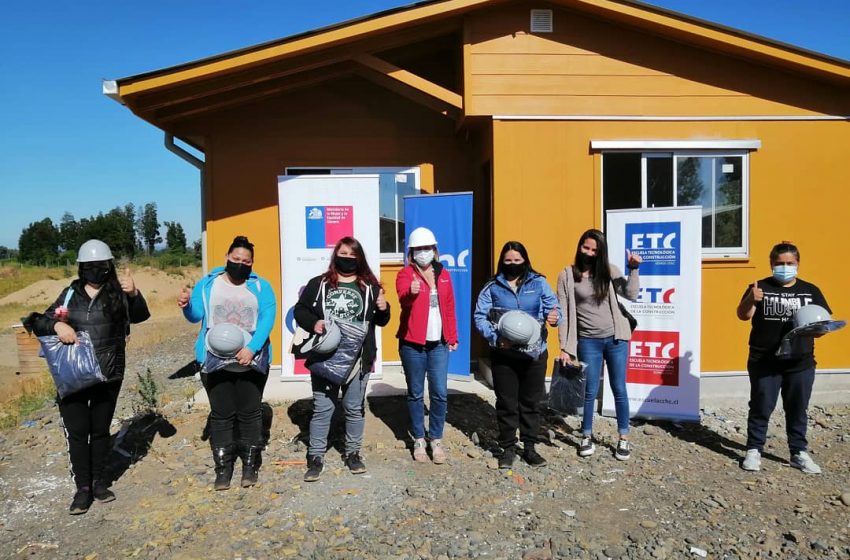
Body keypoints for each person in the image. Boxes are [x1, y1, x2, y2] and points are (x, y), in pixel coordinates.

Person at [26, 239, 150, 514]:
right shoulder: (69, 295)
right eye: (91, 266)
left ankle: (98, 482)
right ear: (82, 268)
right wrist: (57, 323)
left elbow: (141, 316)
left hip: (109, 373)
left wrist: (134, 294)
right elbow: (37, 320)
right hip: (74, 375)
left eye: (102, 265)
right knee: (78, 433)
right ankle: (82, 488)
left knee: (100, 431)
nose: (97, 270)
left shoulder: (119, 293)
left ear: (109, 267)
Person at [178, 236, 276, 490]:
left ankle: (250, 465)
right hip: (214, 357)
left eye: (246, 261)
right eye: (235, 259)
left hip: (250, 358)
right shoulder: (207, 284)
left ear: (252, 263)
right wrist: (187, 306)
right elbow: (196, 316)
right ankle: (223, 468)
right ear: (226, 258)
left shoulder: (261, 287)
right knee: (221, 414)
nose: (240, 264)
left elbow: (267, 318)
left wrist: (252, 348)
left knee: (250, 412)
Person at [295, 237, 390, 481]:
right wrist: (313, 322)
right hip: (326, 356)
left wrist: (383, 307)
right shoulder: (319, 284)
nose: (347, 258)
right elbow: (300, 310)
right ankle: (316, 456)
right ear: (335, 255)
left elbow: (381, 322)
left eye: (352, 254)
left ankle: (353, 453)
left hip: (358, 358)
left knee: (353, 408)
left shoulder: (370, 286)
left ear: (359, 259)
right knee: (323, 408)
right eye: (342, 253)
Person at [736, 241, 832, 474]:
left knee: (798, 408)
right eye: (780, 263)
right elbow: (742, 315)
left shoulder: (810, 290)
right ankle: (754, 450)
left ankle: (798, 452)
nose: (785, 267)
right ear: (771, 264)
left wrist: (819, 328)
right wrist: (751, 298)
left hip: (800, 363)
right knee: (761, 406)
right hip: (764, 361)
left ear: (797, 264)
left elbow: (824, 325)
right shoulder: (759, 286)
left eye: (790, 263)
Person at [474, 241, 560, 469]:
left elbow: (554, 307)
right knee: (507, 403)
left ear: (525, 260)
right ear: (502, 261)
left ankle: (530, 448)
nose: (513, 264)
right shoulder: (492, 286)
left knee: (530, 403)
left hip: (535, 354)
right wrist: (495, 338)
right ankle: (508, 448)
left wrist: (555, 317)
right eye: (508, 261)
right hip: (504, 355)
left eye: (517, 261)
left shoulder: (539, 282)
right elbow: (479, 317)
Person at [557, 229, 640, 461]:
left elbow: (632, 294)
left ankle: (623, 438)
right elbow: (563, 312)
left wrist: (633, 269)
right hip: (588, 342)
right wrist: (565, 347)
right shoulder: (566, 275)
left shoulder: (608, 271)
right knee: (589, 390)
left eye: (595, 250)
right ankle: (586, 435)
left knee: (619, 388)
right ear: (580, 246)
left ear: (600, 252)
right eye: (586, 247)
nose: (590, 253)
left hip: (616, 339)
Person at [396, 227, 459, 463]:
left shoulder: (443, 274)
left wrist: (452, 336)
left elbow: (450, 307)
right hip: (413, 344)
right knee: (415, 393)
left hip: (439, 344)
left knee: (440, 393)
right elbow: (403, 298)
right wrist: (411, 293)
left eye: (427, 248)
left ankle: (436, 439)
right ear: (412, 252)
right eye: (419, 249)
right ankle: (419, 440)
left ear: (434, 250)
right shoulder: (405, 274)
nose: (424, 253)